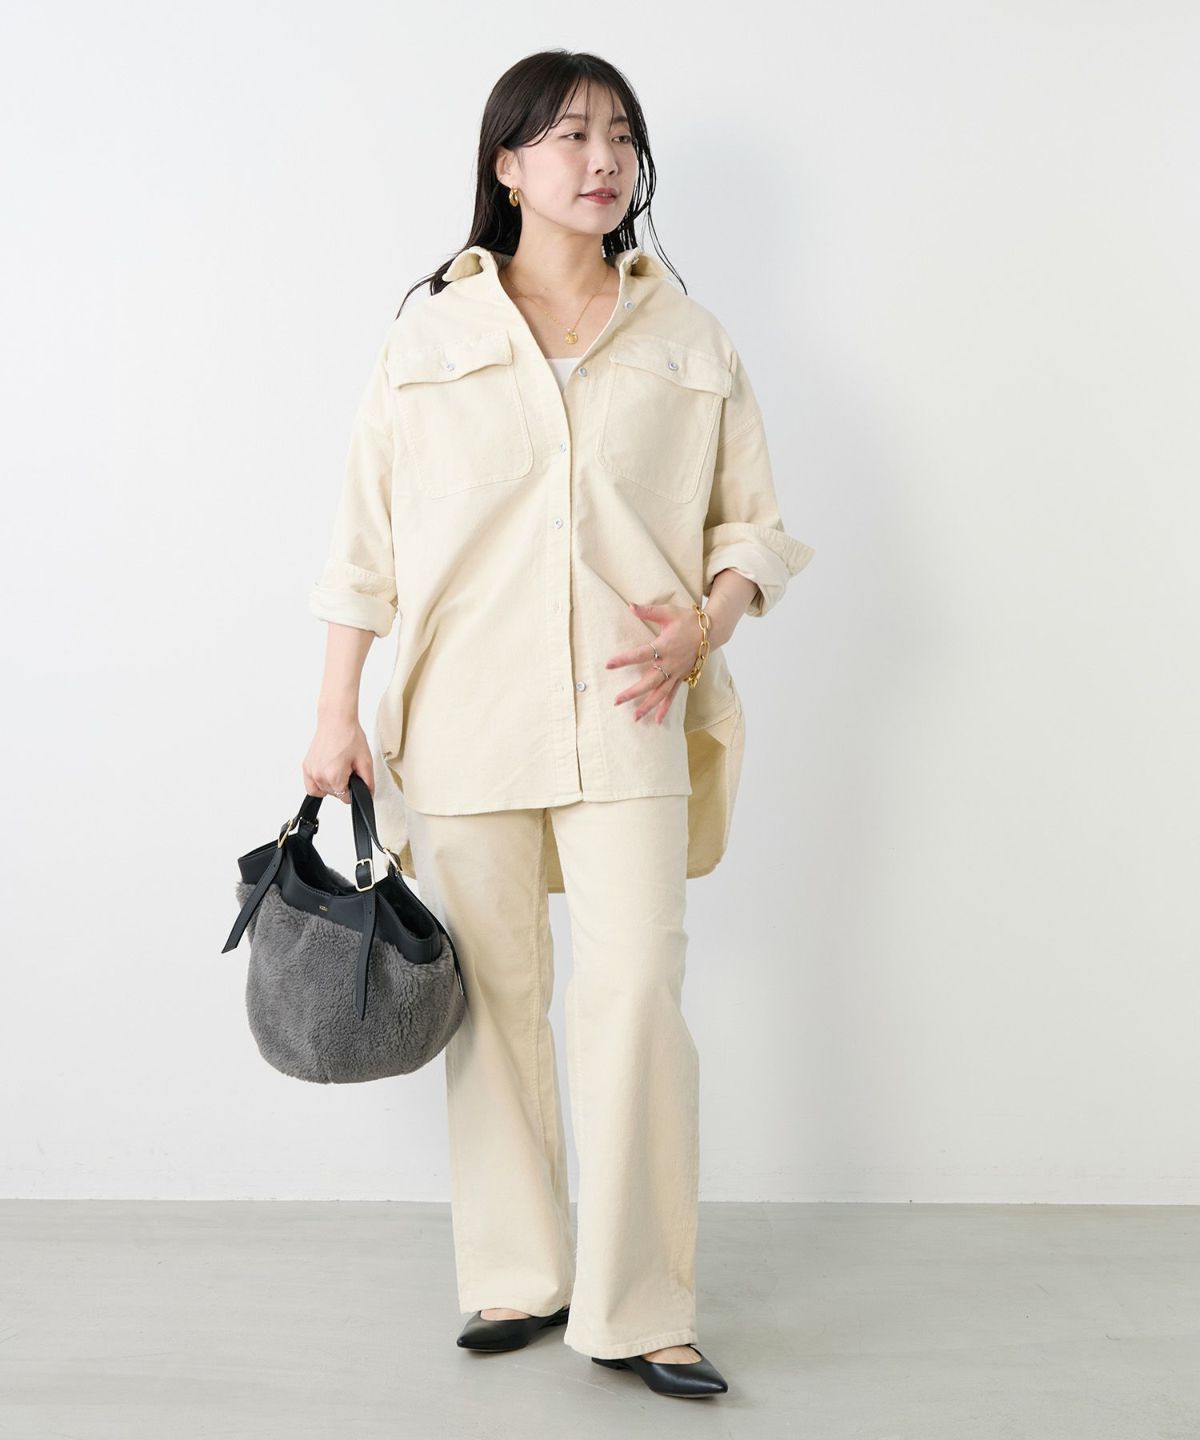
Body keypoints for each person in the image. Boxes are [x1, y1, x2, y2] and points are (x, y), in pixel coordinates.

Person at [302, 50, 815, 1401]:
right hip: (463, 713)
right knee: (498, 1004)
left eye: (622, 137)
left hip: (635, 711)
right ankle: (517, 1274)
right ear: (508, 164)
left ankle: (642, 1306)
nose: (603, 160)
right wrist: (333, 713)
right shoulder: (428, 340)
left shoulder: (690, 340)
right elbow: (364, 548)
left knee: (636, 997)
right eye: (572, 135)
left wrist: (706, 627)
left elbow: (753, 529)